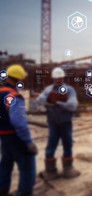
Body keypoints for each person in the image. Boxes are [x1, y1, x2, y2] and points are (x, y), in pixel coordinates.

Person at [0, 64, 38, 196]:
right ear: (19, 79)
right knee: (28, 170)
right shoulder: (13, 96)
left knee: (5, 166)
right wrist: (28, 142)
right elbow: (18, 122)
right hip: (17, 138)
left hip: (4, 139)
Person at [37, 67, 80, 180]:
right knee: (51, 145)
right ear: (53, 79)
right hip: (53, 123)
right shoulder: (48, 90)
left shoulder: (69, 90)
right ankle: (50, 170)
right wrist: (47, 102)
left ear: (63, 78)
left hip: (65, 122)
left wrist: (57, 103)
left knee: (67, 144)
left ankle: (68, 169)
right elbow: (40, 100)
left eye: (59, 79)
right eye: (56, 79)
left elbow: (73, 105)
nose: (58, 81)